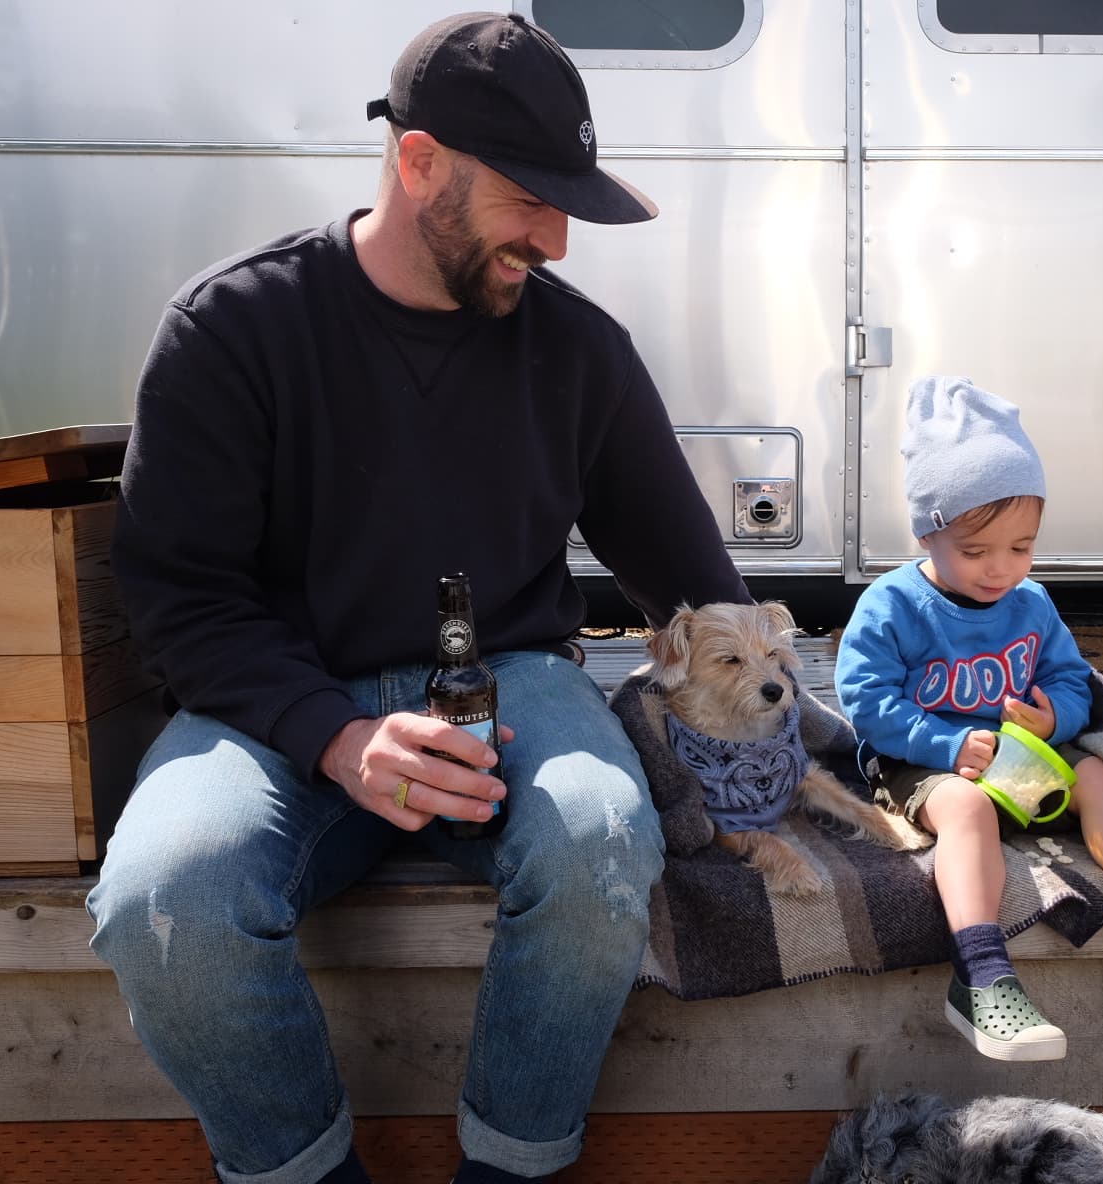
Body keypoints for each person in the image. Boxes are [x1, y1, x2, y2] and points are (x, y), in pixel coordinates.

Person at [86, 13, 750, 1184]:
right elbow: (182, 599)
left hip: (517, 687)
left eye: (568, 201)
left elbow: (699, 584)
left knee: (602, 843)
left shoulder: (581, 354)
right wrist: (337, 736)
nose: (555, 236)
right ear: (418, 161)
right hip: (275, 704)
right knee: (161, 897)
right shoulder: (234, 327)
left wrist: (821, 709)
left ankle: (509, 1169)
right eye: (529, 198)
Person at [834, 375, 1103, 1063]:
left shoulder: (1032, 605)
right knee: (967, 812)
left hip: (1018, 758)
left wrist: (1052, 718)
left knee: (1094, 770)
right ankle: (981, 976)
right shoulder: (894, 606)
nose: (1000, 569)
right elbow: (864, 698)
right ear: (926, 531)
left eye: (1021, 547)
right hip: (921, 761)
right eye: (975, 551)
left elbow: (1070, 677)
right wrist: (945, 743)